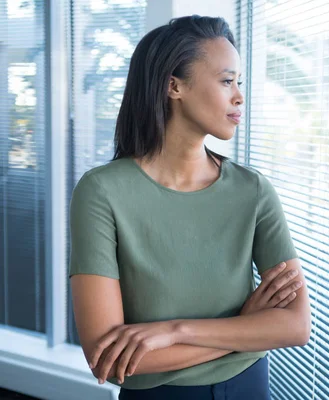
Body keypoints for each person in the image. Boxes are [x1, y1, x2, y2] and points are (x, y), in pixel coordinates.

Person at [68, 15, 311, 400]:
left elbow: (295, 326)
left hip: (248, 386)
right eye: (226, 81)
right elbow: (106, 358)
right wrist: (245, 328)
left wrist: (176, 331)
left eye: (239, 83)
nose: (239, 96)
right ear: (173, 86)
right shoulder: (102, 192)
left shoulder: (253, 191)